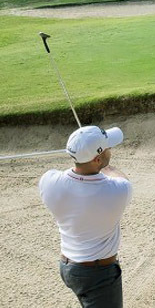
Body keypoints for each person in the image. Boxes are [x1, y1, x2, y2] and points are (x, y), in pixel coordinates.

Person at [39, 126, 131, 308]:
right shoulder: (118, 191)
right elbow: (121, 179)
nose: (110, 150)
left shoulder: (48, 181)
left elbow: (75, 174)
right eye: (108, 148)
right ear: (97, 159)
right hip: (97, 275)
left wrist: (88, 161)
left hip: (68, 267)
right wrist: (107, 167)